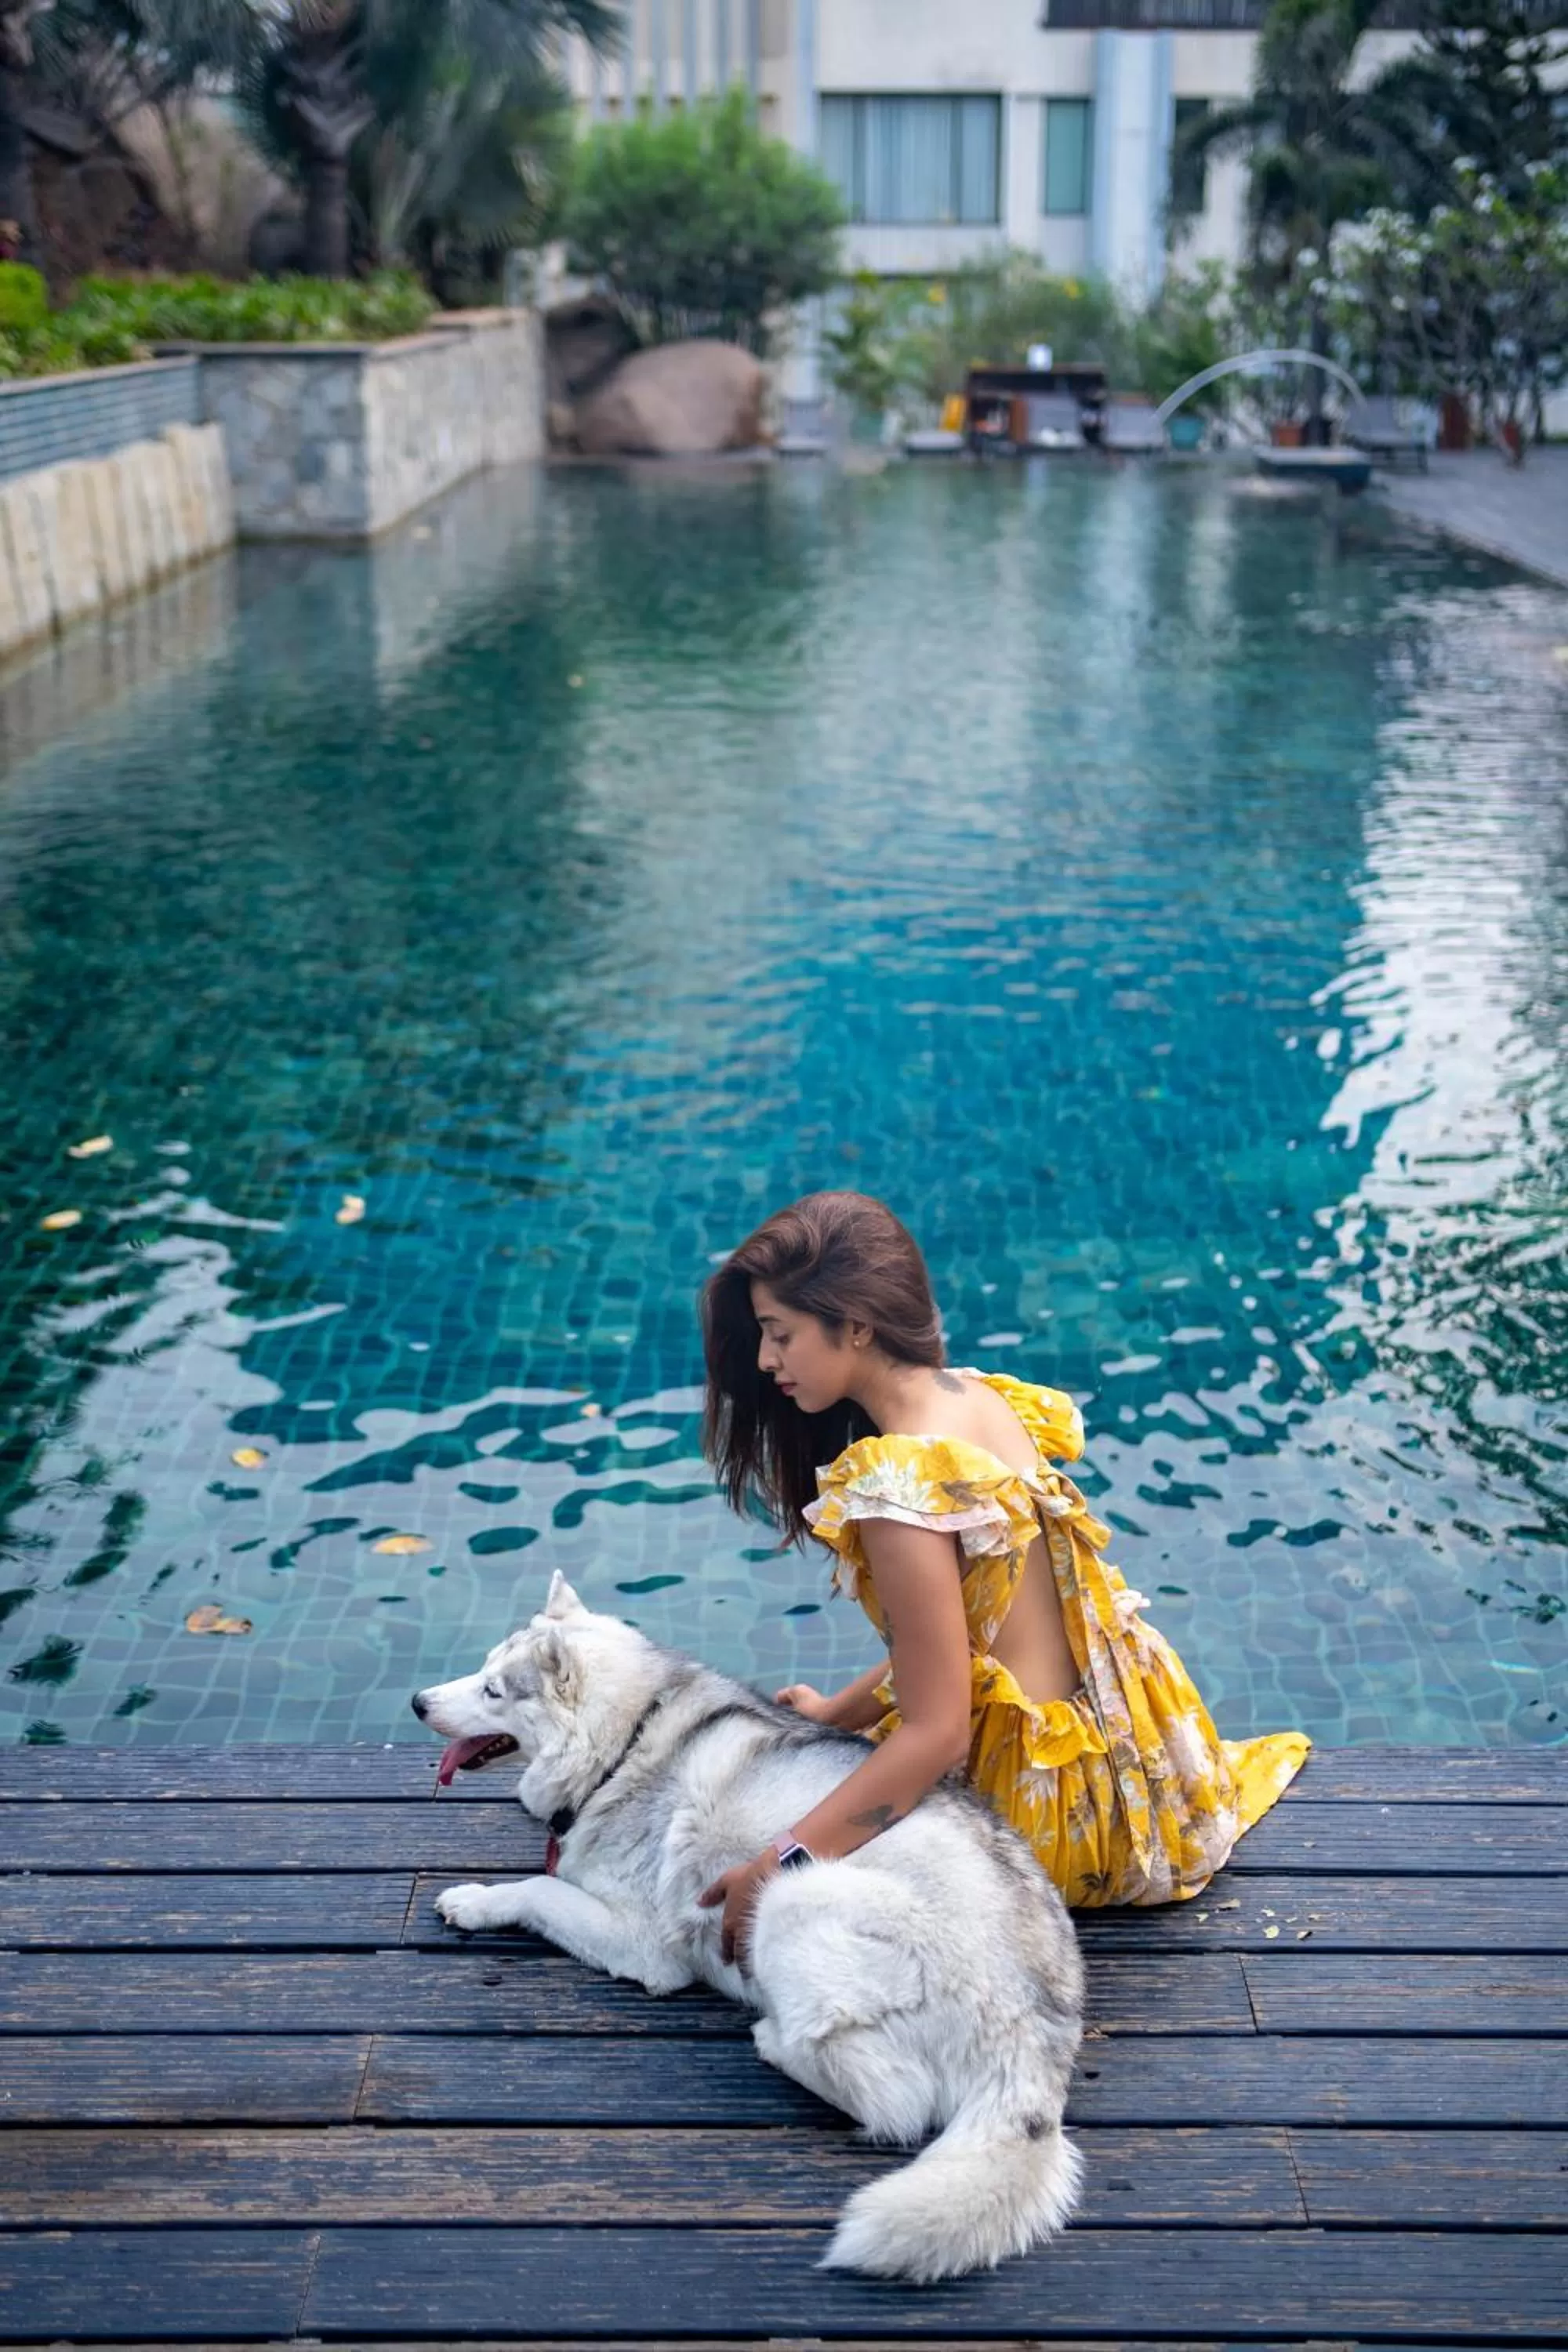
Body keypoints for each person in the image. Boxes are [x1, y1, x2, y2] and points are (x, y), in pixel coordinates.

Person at [697, 1189, 1309, 1964]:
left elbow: (937, 1730)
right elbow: (958, 1641)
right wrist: (837, 1715)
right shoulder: (973, 1400)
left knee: (758, 1861)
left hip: (1055, 1819)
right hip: (1134, 1773)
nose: (763, 1361)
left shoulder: (902, 1485)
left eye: (778, 1335)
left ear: (853, 1324)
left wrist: (779, 1867)